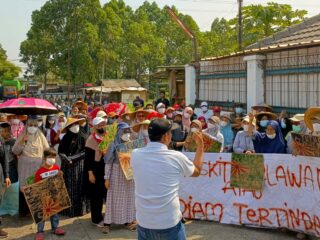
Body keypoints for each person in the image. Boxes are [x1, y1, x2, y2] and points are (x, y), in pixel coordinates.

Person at [131, 118, 204, 240]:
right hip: (168, 223)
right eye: (170, 133)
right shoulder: (176, 157)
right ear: (166, 137)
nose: (171, 136)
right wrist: (200, 146)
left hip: (144, 222)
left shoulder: (135, 154)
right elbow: (196, 171)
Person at [102, 122, 137, 234]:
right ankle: (107, 223)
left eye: (128, 131)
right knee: (113, 198)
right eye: (124, 131)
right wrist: (107, 178)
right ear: (119, 132)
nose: (127, 134)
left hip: (129, 175)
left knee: (129, 198)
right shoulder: (113, 144)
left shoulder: (132, 144)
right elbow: (108, 163)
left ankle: (128, 221)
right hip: (116, 174)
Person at [12, 116, 50, 216]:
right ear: (26, 126)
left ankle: (36, 210)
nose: (32, 127)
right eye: (30, 125)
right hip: (24, 167)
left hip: (38, 166)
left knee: (37, 187)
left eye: (35, 125)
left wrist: (45, 163)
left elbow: (47, 150)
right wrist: (23, 141)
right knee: (25, 187)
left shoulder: (41, 135)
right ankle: (24, 211)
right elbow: (15, 150)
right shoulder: (22, 135)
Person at [58, 118, 89, 217]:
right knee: (68, 188)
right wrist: (66, 158)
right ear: (68, 128)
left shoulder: (84, 137)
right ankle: (68, 211)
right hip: (67, 167)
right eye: (72, 125)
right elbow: (60, 151)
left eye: (76, 124)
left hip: (80, 166)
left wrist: (74, 158)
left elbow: (85, 151)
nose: (75, 127)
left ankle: (80, 210)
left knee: (80, 187)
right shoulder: (65, 138)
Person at [34, 148, 65, 240]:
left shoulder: (56, 168)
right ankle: (40, 232)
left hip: (54, 196)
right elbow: (37, 185)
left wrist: (61, 175)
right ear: (44, 158)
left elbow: (59, 182)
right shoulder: (40, 172)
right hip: (43, 197)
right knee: (42, 215)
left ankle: (55, 228)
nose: (52, 159)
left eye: (53, 157)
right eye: (49, 157)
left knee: (54, 212)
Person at [84, 117, 107, 228]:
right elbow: (87, 159)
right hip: (95, 169)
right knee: (96, 196)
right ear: (94, 127)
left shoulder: (107, 137)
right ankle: (96, 219)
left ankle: (104, 215)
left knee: (104, 193)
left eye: (103, 124)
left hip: (105, 168)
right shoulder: (91, 140)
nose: (101, 127)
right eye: (99, 125)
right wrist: (90, 173)